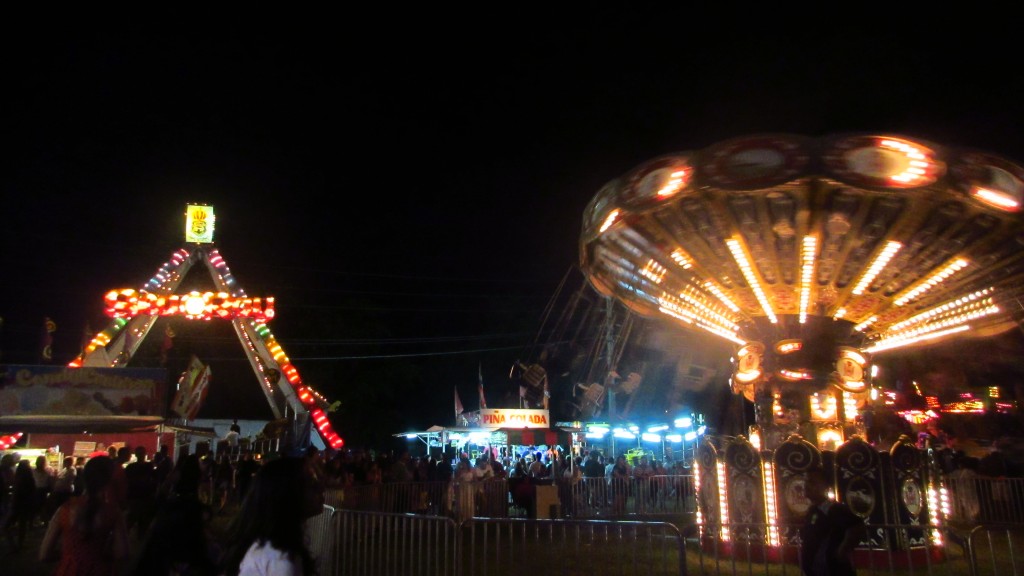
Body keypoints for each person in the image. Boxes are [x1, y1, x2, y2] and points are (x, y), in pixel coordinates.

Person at [219, 456, 325, 576]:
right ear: (286, 493)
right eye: (312, 484)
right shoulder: (280, 560)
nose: (322, 489)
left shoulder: (271, 546)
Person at [39, 455, 130, 575]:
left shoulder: (65, 509)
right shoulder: (112, 512)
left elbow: (44, 555)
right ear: (108, 480)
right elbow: (122, 553)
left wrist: (70, 554)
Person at [799, 467, 866, 576]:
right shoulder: (813, 510)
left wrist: (842, 550)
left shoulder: (833, 509)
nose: (806, 486)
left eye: (812, 482)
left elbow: (857, 526)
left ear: (825, 486)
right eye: (806, 481)